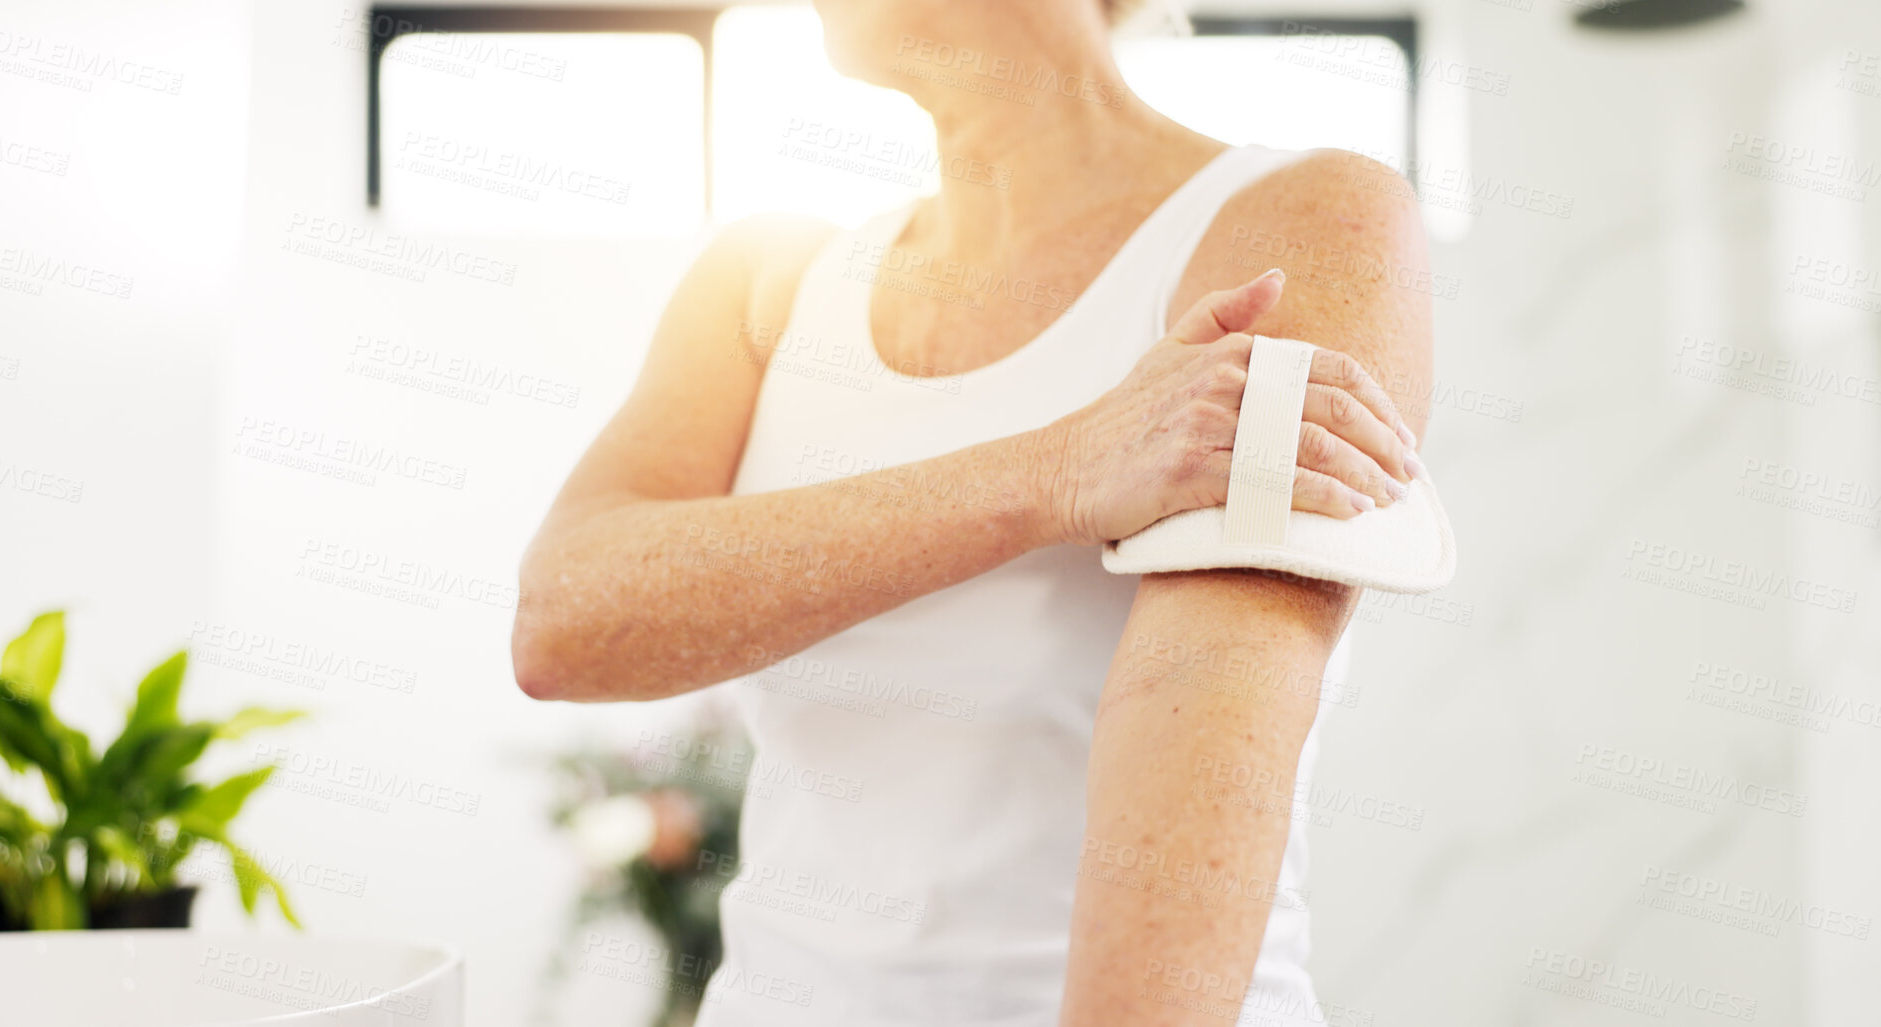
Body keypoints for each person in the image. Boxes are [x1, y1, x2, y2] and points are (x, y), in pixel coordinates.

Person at [513, 1, 1433, 1023]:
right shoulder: (766, 278)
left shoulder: (1305, 221)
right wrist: (1056, 470)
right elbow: (564, 622)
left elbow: (1199, 735)